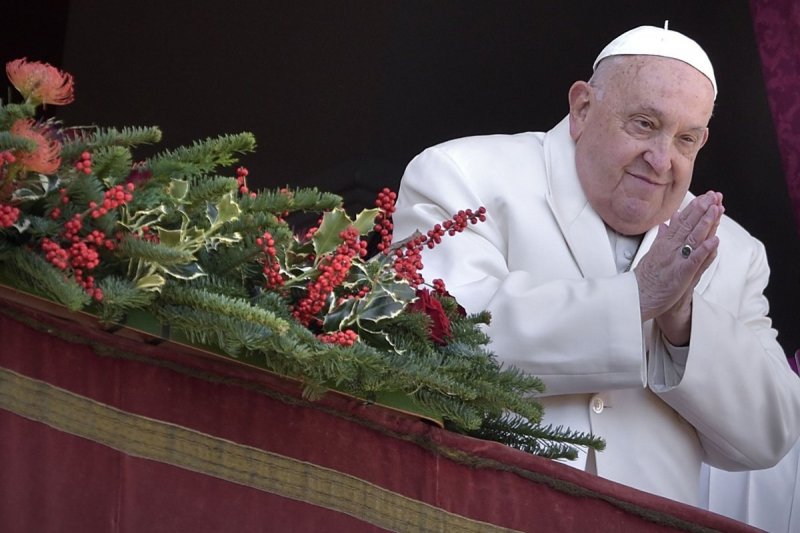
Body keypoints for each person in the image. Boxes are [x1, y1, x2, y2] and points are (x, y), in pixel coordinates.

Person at [392, 24, 800, 506]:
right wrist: (637, 299)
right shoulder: (464, 174)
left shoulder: (733, 250)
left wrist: (684, 323)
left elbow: (770, 434)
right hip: (479, 508)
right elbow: (444, 340)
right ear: (582, 108)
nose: (661, 159)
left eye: (686, 139)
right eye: (644, 124)